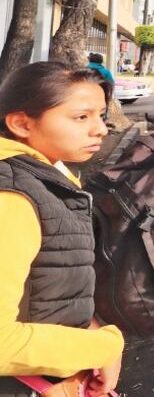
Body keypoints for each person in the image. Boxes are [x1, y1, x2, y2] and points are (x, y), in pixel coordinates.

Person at [0, 62, 123, 397]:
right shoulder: (12, 197)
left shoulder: (51, 177)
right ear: (21, 123)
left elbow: (54, 284)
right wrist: (102, 347)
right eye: (81, 117)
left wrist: (93, 329)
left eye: (100, 115)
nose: (100, 129)